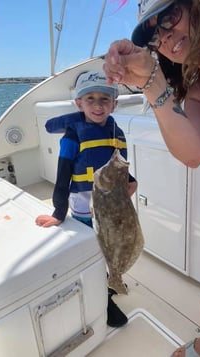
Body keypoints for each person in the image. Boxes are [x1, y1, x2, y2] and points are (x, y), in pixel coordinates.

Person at [103, 0, 200, 356]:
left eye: (170, 15)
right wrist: (149, 81)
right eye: (154, 33)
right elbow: (194, 153)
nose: (165, 34)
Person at [35, 70, 137, 328]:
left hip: (114, 207)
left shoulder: (118, 131)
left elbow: (118, 166)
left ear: (114, 103)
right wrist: (59, 212)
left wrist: (130, 181)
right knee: (94, 252)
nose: (98, 105)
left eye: (105, 99)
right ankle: (103, 299)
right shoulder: (73, 135)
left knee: (113, 247)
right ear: (79, 103)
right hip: (85, 210)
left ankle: (110, 281)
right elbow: (63, 174)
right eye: (90, 98)